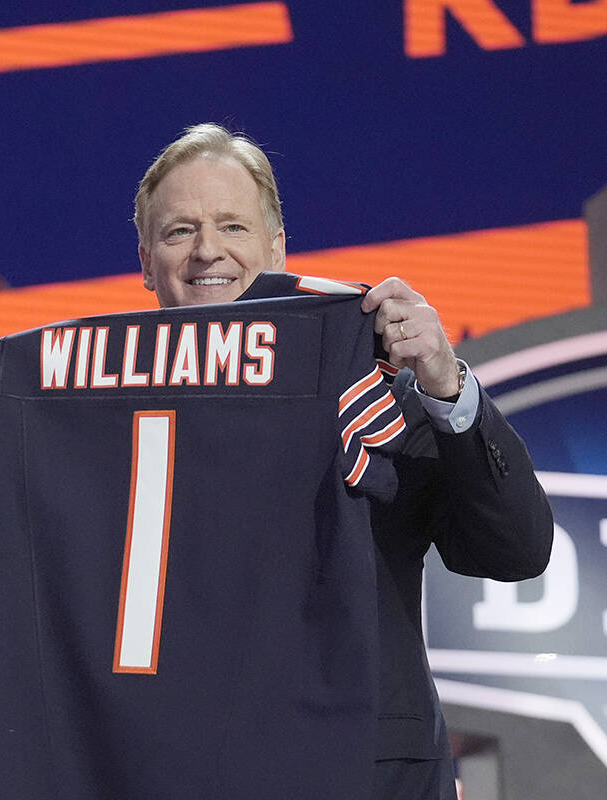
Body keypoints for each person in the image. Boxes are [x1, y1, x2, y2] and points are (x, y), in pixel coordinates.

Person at [132, 123, 554, 799]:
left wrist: (446, 388)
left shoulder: (373, 395)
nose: (207, 249)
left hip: (366, 776)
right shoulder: (103, 422)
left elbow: (515, 551)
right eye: (180, 230)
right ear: (146, 260)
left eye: (232, 226)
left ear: (276, 247)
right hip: (175, 773)